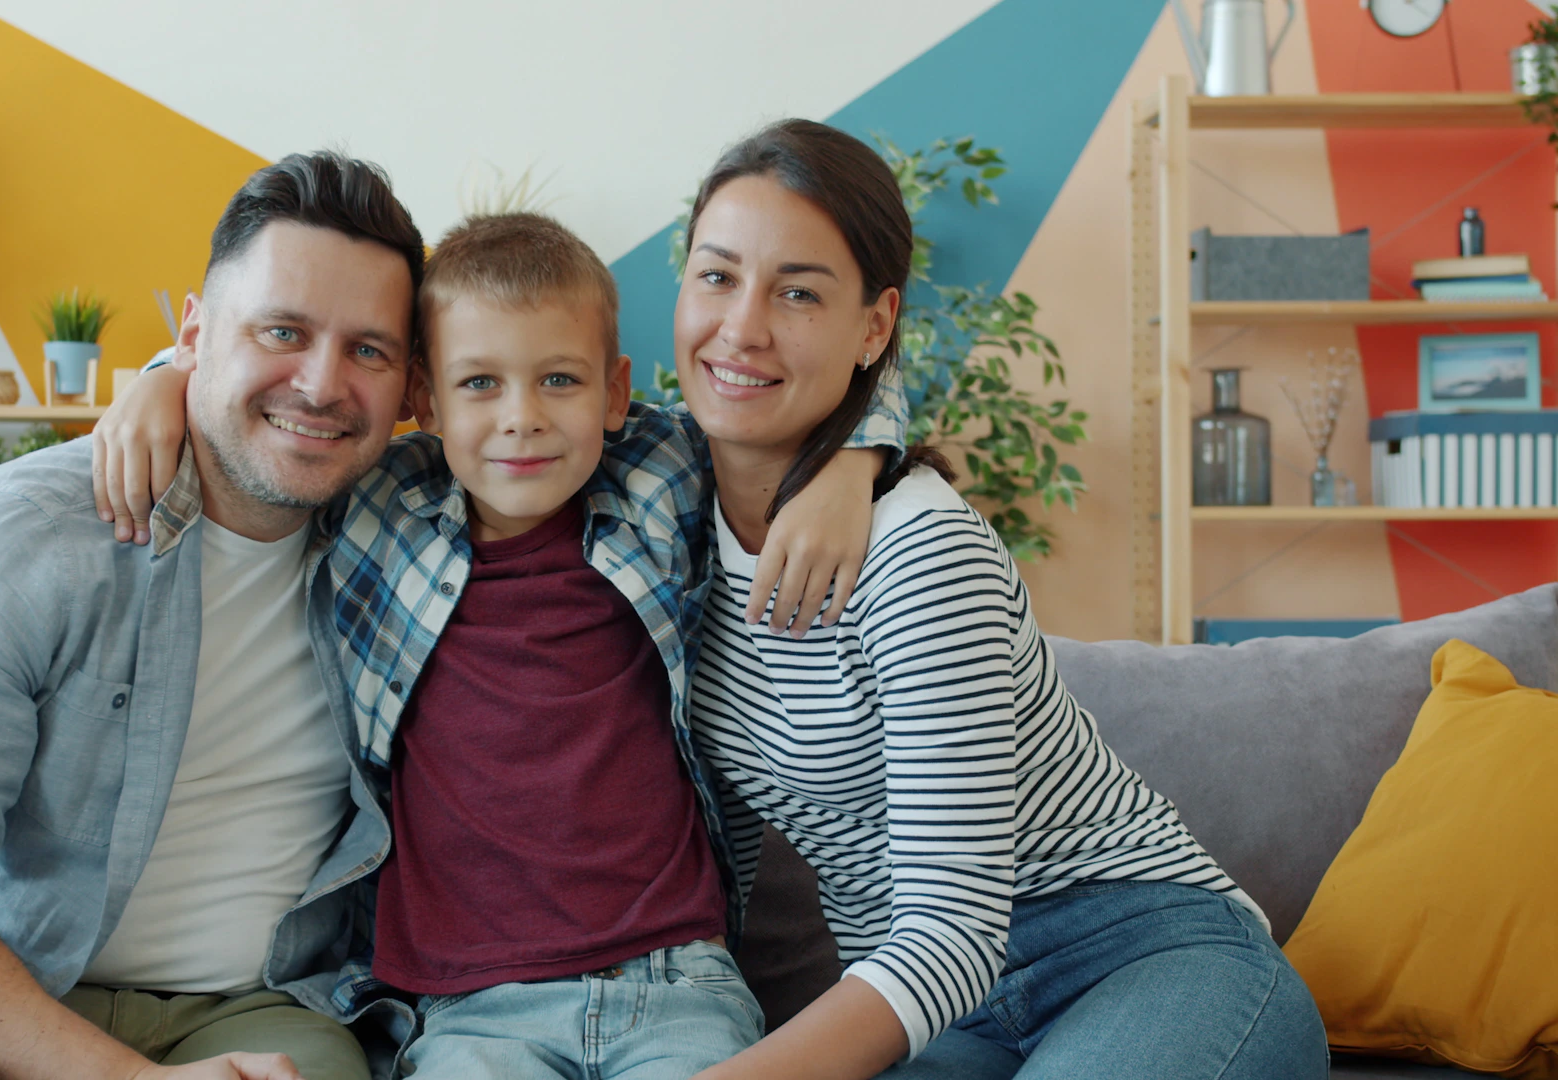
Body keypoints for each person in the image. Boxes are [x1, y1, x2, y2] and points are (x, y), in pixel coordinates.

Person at [89, 210, 909, 1078]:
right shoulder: (378, 503)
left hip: (676, 983)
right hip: (471, 1011)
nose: (522, 419)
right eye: (479, 384)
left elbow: (819, 386)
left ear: (616, 390)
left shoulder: (661, 473)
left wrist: (853, 463)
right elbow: (262, 407)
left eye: (560, 379)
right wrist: (162, 379)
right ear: (423, 400)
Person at [666, 119, 1331, 1080]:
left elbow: (950, 930)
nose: (742, 327)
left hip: (1141, 954)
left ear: (874, 326)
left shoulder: (917, 549)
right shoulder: (656, 513)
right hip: (936, 1018)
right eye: (717, 276)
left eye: (799, 291)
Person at [0, 151, 429, 1080]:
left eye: (369, 349)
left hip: (255, 1008)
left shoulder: (410, 531)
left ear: (411, 388)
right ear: (197, 332)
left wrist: (162, 375)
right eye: (282, 331)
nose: (322, 384)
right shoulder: (17, 543)